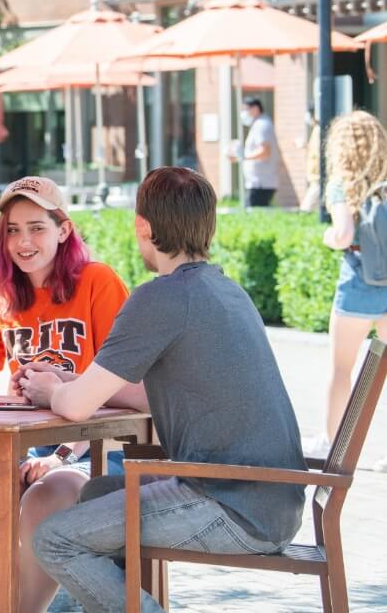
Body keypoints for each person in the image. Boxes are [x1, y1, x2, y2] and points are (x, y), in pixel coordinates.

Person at [24, 167, 306, 613]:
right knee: (97, 494)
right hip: (275, 499)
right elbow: (136, 393)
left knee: (56, 539)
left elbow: (75, 408)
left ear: (143, 226)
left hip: (232, 506)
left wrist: (50, 392)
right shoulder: (227, 290)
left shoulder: (159, 298)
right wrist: (68, 383)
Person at [0, 176, 134, 613]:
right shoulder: (1, 298)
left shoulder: (98, 282)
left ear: (63, 230)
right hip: (28, 445)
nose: (23, 242)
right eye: (13, 230)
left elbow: (122, 387)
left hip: (101, 446)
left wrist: (61, 454)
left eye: (36, 227)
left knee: (47, 492)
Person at [310, 111, 387, 469]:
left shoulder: (343, 184)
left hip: (357, 286)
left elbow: (342, 235)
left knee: (342, 369)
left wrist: (329, 237)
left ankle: (332, 447)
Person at [231, 96, 280, 207]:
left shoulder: (262, 125)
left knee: (254, 211)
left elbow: (265, 151)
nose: (243, 113)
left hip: (261, 183)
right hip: (258, 182)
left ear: (255, 108)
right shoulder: (258, 124)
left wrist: (243, 157)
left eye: (245, 109)